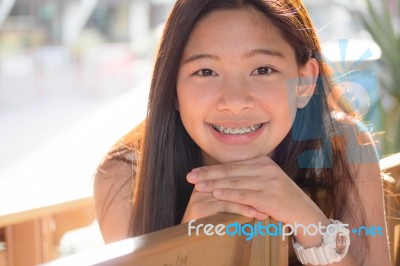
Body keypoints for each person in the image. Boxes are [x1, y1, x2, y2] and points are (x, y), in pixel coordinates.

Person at [93, 0, 391, 265]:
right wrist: (189, 246)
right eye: (206, 72)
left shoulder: (345, 147)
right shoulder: (123, 179)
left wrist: (310, 223)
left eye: (262, 70)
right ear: (172, 88)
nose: (235, 102)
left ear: (304, 82)